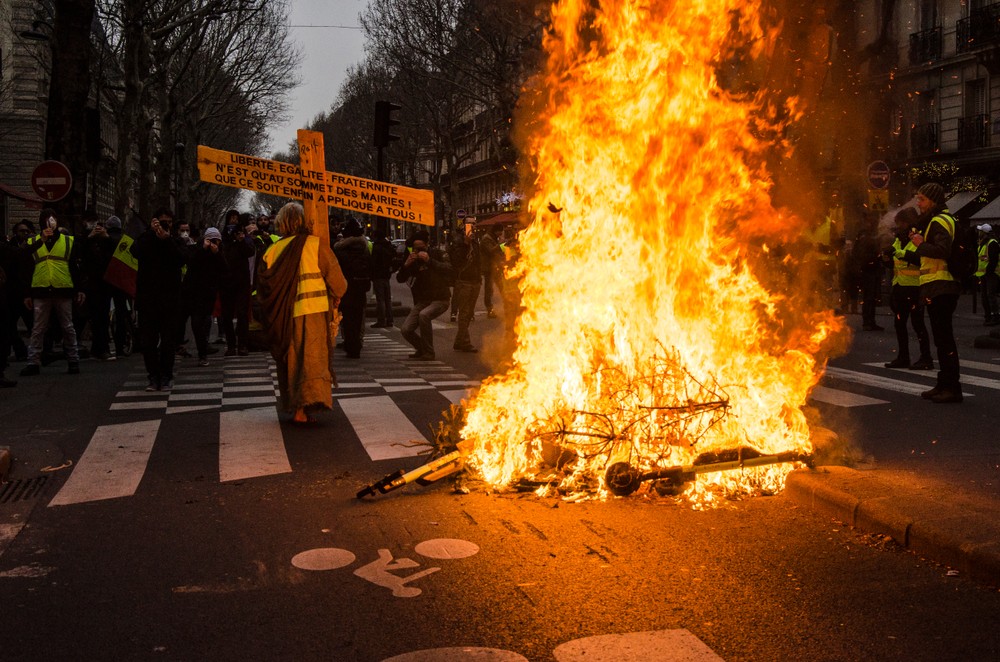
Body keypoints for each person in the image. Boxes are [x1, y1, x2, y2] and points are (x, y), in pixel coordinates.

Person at [257, 202, 347, 424]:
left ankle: (295, 406)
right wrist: (335, 295)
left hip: (282, 317)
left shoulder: (272, 251)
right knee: (311, 362)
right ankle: (304, 409)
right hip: (313, 312)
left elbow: (262, 288)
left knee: (290, 363)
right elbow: (339, 283)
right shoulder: (315, 245)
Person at [906, 183, 963, 404]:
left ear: (933, 201)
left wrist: (920, 244)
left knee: (945, 339)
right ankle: (944, 383)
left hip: (942, 286)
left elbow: (942, 251)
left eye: (921, 200)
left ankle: (952, 388)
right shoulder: (938, 220)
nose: (918, 204)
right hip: (938, 286)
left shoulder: (939, 221)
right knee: (941, 339)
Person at [19, 209, 85, 377]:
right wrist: (27, 293)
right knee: (38, 328)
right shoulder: (34, 241)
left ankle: (73, 359)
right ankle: (33, 362)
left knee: (68, 327)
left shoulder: (68, 241)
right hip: (41, 289)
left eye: (53, 220)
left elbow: (75, 268)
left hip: (62, 288)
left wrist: (79, 289)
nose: (50, 223)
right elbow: (26, 267)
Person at [130, 207, 186, 391]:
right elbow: (135, 251)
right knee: (148, 342)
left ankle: (165, 375)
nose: (165, 225)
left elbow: (181, 259)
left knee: (168, 341)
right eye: (161, 221)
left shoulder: (176, 241)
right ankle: (153, 376)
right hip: (148, 299)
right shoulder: (146, 239)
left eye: (168, 222)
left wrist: (167, 239)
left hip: (170, 299)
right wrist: (150, 233)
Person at [882, 207, 933, 370]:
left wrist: (898, 253)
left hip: (915, 288)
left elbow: (919, 259)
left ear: (907, 223)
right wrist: (886, 258)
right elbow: (895, 263)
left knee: (918, 324)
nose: (898, 227)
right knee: (899, 324)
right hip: (900, 287)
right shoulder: (899, 239)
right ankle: (903, 357)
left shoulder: (917, 238)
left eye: (900, 224)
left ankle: (926, 358)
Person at [396, 230, 452, 360]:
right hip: (422, 301)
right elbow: (400, 278)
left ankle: (429, 352)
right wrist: (406, 265)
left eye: (421, 248)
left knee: (424, 316)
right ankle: (421, 348)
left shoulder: (437, 254)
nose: (418, 251)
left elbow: (449, 269)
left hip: (440, 298)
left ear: (427, 246)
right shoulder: (413, 259)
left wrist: (429, 260)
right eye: (416, 249)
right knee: (406, 329)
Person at [181, 227, 227, 366]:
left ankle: (203, 351)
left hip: (209, 293)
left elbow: (225, 269)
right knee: (196, 322)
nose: (214, 243)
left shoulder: (219, 252)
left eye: (216, 240)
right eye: (211, 240)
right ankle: (202, 352)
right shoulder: (197, 249)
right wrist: (203, 249)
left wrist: (217, 253)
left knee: (205, 321)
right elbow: (191, 263)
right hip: (194, 292)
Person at [80, 215, 120, 361]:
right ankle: (98, 348)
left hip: (105, 283)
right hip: (92, 284)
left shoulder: (107, 242)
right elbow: (82, 254)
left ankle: (102, 348)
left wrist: (106, 238)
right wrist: (90, 237)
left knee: (103, 317)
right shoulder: (88, 241)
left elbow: (114, 256)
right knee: (96, 317)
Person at [333, 219, 372, 359]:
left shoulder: (340, 251)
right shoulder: (365, 249)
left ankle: (350, 345)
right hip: (361, 287)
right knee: (357, 317)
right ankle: (356, 345)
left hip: (346, 287)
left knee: (347, 318)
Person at [218, 218, 256, 356]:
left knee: (242, 314)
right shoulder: (224, 243)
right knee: (227, 315)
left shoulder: (244, 242)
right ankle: (231, 345)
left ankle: (242, 344)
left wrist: (242, 240)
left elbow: (250, 251)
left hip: (242, 283)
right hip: (226, 283)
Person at [449, 222, 482, 352]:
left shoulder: (475, 244)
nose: (472, 232)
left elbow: (478, 261)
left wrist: (479, 278)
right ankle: (465, 342)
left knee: (469, 313)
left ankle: (459, 341)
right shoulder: (457, 245)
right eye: (469, 230)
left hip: (475, 281)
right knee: (464, 312)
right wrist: (465, 245)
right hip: (463, 282)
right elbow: (456, 262)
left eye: (473, 229)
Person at [855, 216, 884, 331]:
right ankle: (867, 322)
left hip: (871, 269)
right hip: (868, 270)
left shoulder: (865, 236)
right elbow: (862, 254)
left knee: (871, 297)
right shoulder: (865, 237)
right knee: (869, 297)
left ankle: (871, 321)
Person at [369, 228, 396, 328]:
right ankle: (390, 320)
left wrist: (371, 274)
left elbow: (373, 262)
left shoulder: (377, 247)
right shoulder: (388, 245)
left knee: (380, 299)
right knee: (387, 299)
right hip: (386, 275)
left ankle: (381, 320)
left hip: (378, 275)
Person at [975, 223, 999, 326]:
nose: (978, 233)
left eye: (980, 231)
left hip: (991, 274)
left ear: (984, 233)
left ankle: (995, 316)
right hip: (984, 274)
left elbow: (993, 260)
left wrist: (988, 272)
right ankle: (988, 316)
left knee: (990, 295)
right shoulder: (983, 243)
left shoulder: (991, 243)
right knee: (985, 296)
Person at [479, 224, 504, 319]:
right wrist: (501, 244)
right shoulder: (486, 239)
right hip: (489, 268)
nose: (501, 234)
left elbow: (498, 252)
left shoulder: (493, 238)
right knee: (489, 289)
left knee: (502, 286)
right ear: (495, 231)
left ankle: (508, 306)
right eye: (500, 232)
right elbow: (491, 251)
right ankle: (489, 309)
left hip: (495, 267)